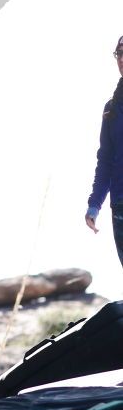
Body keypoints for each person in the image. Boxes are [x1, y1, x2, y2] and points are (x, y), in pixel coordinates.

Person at [85, 35, 123, 267]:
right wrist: (94, 203)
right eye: (119, 54)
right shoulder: (111, 109)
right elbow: (106, 160)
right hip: (120, 205)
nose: (122, 59)